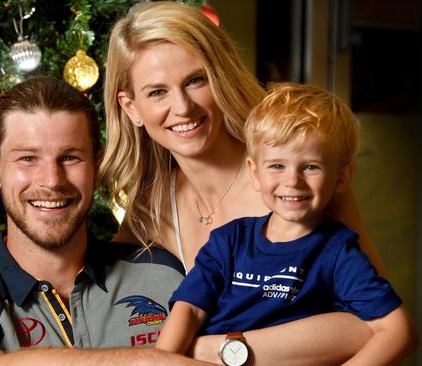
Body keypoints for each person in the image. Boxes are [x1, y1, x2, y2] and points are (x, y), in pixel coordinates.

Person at [100, 1, 383, 364]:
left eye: (195, 80)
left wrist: (214, 348)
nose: (183, 107)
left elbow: (374, 326)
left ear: (220, 78)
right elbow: (97, 290)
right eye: (158, 92)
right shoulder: (151, 202)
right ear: (131, 108)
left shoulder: (290, 182)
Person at [0, 76, 212, 366]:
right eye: (28, 158)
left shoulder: (164, 271)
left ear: (97, 163)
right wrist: (151, 360)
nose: (52, 181)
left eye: (70, 157)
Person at [155, 83, 418, 365]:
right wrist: (160, 361)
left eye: (311, 166)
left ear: (342, 177)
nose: (293, 181)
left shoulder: (338, 252)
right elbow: (190, 310)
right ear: (254, 173)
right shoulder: (229, 241)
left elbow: (400, 332)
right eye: (277, 166)